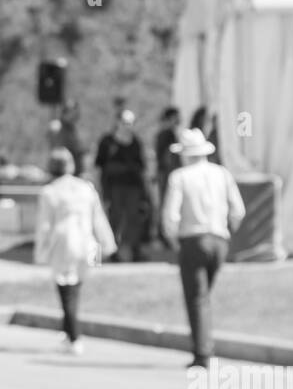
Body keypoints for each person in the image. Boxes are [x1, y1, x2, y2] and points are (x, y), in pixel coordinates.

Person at [161, 127, 245, 370]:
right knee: (204, 296)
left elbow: (170, 215)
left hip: (194, 239)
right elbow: (238, 210)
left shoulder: (180, 177)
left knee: (197, 298)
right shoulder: (222, 174)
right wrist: (229, 230)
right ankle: (205, 346)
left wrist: (174, 239)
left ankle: (202, 352)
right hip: (219, 239)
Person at [35, 147, 117, 356]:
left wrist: (40, 252)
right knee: (76, 287)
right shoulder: (86, 187)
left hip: (64, 244)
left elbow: (45, 225)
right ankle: (68, 331)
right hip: (89, 244)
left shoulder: (50, 191)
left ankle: (74, 336)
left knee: (66, 290)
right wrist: (107, 245)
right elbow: (98, 218)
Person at [95, 108, 150, 261]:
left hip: (133, 186)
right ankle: (113, 251)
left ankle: (135, 250)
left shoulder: (136, 143)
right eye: (125, 122)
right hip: (113, 187)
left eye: (131, 123)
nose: (128, 126)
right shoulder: (107, 142)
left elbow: (141, 166)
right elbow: (99, 165)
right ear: (118, 122)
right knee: (114, 218)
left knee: (134, 218)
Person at [153, 107, 183, 240]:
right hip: (167, 173)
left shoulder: (165, 133)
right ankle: (164, 233)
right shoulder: (167, 134)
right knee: (167, 201)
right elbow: (166, 157)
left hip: (165, 172)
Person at [49, 100, 87, 176]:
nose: (76, 116)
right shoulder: (56, 127)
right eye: (74, 112)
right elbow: (56, 152)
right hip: (62, 172)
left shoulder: (73, 128)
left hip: (76, 171)